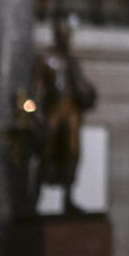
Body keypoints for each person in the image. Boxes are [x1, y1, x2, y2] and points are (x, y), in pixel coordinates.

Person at [29, 13, 97, 214]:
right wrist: (34, 114)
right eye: (62, 33)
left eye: (68, 34)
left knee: (72, 151)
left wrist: (88, 93)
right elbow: (35, 91)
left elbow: (81, 86)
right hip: (53, 109)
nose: (66, 37)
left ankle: (68, 199)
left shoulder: (73, 61)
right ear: (56, 34)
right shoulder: (45, 59)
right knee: (47, 151)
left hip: (72, 110)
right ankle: (35, 200)